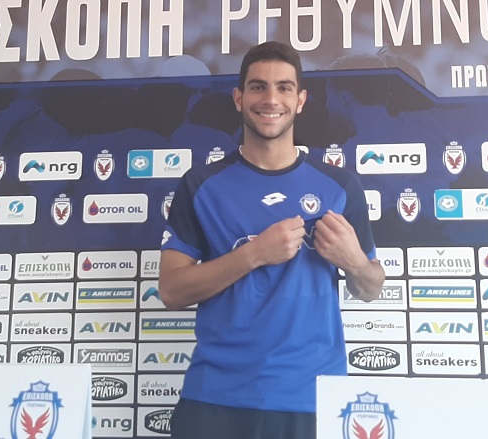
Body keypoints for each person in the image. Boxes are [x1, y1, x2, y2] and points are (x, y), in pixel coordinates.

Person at [158, 41, 385, 439]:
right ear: (239, 97)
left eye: (284, 87)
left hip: (310, 397)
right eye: (258, 87)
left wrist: (355, 262)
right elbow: (171, 291)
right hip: (217, 397)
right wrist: (254, 254)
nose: (271, 99)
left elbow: (371, 288)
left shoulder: (339, 185)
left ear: (300, 100)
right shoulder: (200, 184)